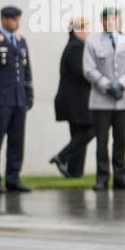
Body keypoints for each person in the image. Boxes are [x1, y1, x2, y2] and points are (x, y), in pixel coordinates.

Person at [83, 7, 125, 191]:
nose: (110, 22)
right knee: (102, 141)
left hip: (121, 99)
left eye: (113, 19)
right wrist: (107, 85)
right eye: (106, 19)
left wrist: (121, 84)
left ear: (118, 20)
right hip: (101, 100)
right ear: (102, 21)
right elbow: (89, 69)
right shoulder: (93, 42)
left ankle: (120, 177)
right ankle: (102, 177)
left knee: (120, 140)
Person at [0, 5, 32, 193]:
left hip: (18, 99)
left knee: (17, 141)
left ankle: (13, 177)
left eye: (18, 19)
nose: (16, 23)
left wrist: (29, 93)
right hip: (1, 100)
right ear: (3, 19)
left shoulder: (21, 41)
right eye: (12, 19)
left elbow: (26, 71)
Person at [51, 17, 94, 178]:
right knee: (91, 129)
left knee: (78, 134)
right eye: (86, 28)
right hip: (76, 102)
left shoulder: (73, 46)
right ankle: (62, 157)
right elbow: (83, 73)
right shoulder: (77, 47)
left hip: (73, 101)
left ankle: (75, 172)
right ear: (77, 31)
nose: (88, 32)